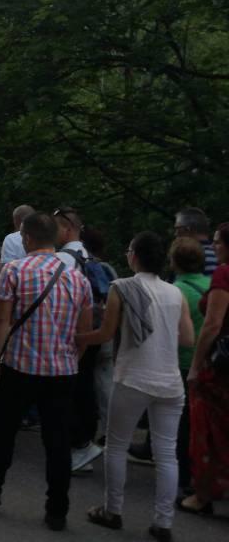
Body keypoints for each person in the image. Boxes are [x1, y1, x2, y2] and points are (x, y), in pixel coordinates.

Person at [0, 212, 94, 532]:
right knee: (57, 441)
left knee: (4, 431)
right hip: (62, 371)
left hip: (21, 365)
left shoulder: (14, 270)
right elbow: (84, 331)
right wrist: (71, 358)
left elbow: (2, 320)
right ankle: (57, 509)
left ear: (28, 238)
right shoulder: (78, 277)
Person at [78, 232, 194, 541]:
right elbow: (187, 339)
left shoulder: (122, 288)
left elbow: (105, 333)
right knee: (167, 454)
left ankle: (112, 511)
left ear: (134, 255)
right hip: (170, 383)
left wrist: (77, 338)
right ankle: (163, 523)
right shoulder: (175, 293)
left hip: (133, 378)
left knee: (116, 445)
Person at [179, 222, 229, 515]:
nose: (213, 247)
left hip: (221, 367)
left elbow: (212, 324)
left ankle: (203, 494)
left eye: (218, 242)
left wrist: (196, 366)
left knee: (208, 430)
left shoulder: (224, 274)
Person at [54, 207, 105, 472]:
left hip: (71, 332)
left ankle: (78, 447)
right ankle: (84, 442)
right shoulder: (90, 257)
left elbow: (60, 297)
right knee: (85, 389)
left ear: (68, 228)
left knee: (67, 391)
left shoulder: (64, 258)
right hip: (94, 331)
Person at [170, 238, 210, 493]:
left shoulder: (177, 290)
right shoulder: (211, 285)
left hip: (184, 363)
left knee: (183, 426)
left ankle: (184, 481)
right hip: (210, 362)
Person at [81, 226, 120, 445]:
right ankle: (109, 430)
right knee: (105, 384)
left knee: (92, 385)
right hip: (108, 333)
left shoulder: (90, 267)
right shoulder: (108, 269)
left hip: (94, 332)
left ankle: (94, 434)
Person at [174, 208, 217, 275]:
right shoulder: (219, 256)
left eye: (177, 229)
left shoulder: (188, 259)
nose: (175, 234)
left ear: (187, 230)